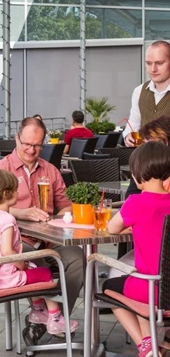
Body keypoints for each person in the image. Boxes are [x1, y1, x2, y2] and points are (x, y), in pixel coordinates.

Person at [0, 116, 83, 345]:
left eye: (37, 145)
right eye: (26, 143)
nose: (31, 149)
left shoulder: (50, 169)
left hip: (49, 238)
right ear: (17, 138)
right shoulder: (1, 168)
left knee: (77, 258)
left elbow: (65, 203)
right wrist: (19, 212)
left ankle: (51, 318)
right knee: (36, 261)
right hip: (18, 238)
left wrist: (64, 215)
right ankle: (50, 317)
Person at [0, 170, 78, 336]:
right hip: (3, 278)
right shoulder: (7, 219)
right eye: (15, 190)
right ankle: (56, 319)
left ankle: (38, 310)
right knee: (44, 273)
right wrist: (21, 264)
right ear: (5, 194)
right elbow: (7, 252)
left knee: (33, 267)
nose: (18, 193)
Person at [103, 141, 170, 357]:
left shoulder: (135, 203)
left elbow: (112, 228)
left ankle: (145, 345)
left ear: (136, 174)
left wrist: (132, 227)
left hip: (150, 289)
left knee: (108, 287)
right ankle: (151, 342)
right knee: (139, 281)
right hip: (166, 290)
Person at [124, 40, 170, 147]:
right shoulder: (139, 91)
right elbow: (133, 124)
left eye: (159, 63)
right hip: (146, 160)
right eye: (149, 63)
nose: (153, 69)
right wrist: (128, 136)